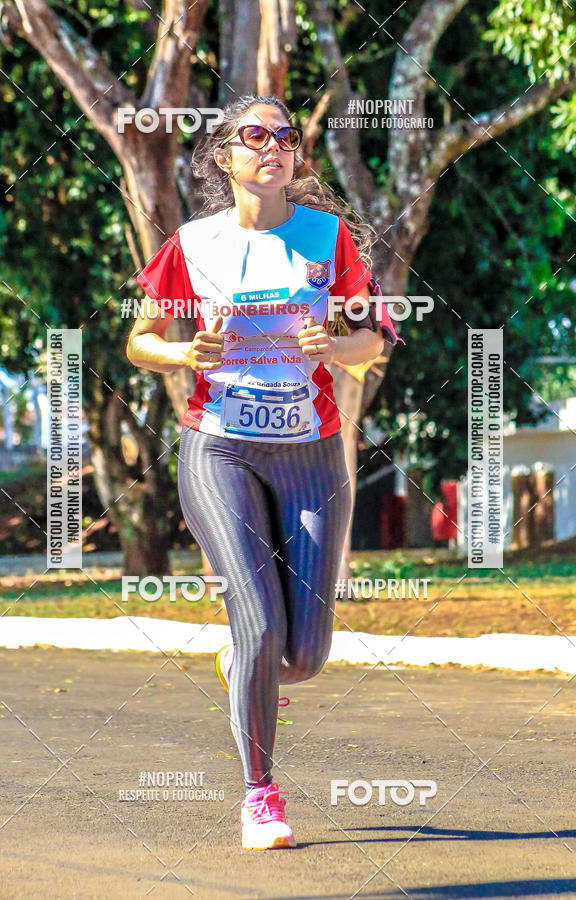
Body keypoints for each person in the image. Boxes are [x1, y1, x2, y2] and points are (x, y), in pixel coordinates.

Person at [126, 94, 402, 850]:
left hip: (312, 450)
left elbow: (371, 340)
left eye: (285, 135)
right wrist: (186, 353)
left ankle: (243, 662)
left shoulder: (327, 236)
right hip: (220, 448)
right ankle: (260, 796)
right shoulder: (194, 243)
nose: (274, 145)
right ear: (226, 157)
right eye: (255, 135)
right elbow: (139, 340)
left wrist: (331, 347)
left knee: (303, 657)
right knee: (257, 621)